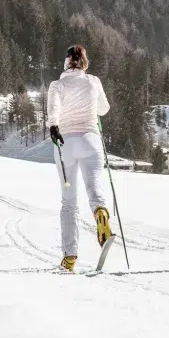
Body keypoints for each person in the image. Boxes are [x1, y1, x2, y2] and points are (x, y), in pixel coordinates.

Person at [47, 44, 112, 272]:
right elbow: (104, 109)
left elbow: (53, 108)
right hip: (91, 141)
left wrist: (53, 125)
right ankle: (101, 216)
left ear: (66, 63)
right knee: (95, 191)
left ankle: (70, 257)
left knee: (69, 203)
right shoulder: (93, 81)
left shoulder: (58, 85)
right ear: (85, 63)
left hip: (66, 144)